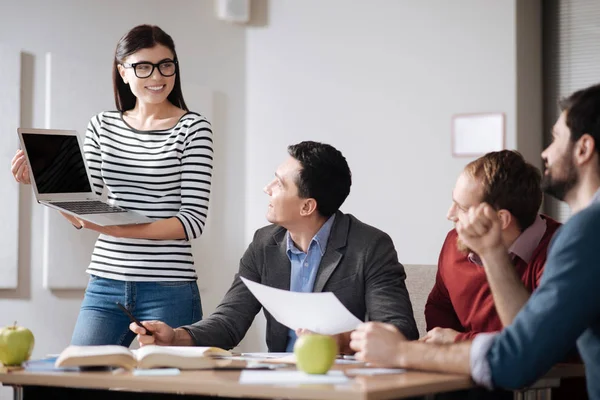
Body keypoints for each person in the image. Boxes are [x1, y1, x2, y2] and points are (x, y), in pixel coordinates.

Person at [349, 83, 600, 398]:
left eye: (555, 138)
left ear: (583, 148)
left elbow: (523, 357)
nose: (546, 153)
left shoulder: (583, 234)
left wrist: (399, 352)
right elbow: (526, 339)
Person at [10, 25, 212, 346]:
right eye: (142, 67)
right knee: (80, 380)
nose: (156, 76)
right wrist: (43, 186)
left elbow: (191, 222)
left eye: (166, 65)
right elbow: (84, 206)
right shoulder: (103, 125)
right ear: (123, 71)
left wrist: (121, 230)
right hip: (106, 284)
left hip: (169, 286)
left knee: (170, 387)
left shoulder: (193, 128)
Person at [130, 141, 419, 352]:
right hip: (279, 379)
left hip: (344, 382)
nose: (267, 188)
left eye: (279, 184)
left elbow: (399, 331)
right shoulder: (264, 243)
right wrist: (176, 337)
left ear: (308, 206)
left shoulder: (370, 246)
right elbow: (229, 320)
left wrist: (341, 341)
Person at [423, 150, 560, 344]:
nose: (450, 214)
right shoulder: (455, 242)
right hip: (465, 368)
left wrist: (460, 341)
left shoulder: (560, 251)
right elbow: (440, 306)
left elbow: (539, 340)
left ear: (501, 219)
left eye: (462, 208)